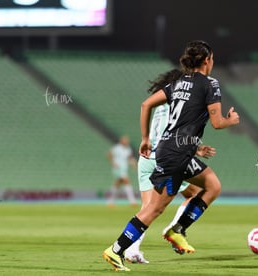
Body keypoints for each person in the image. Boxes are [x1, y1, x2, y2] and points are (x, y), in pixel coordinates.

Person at [102, 40, 240, 272]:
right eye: (212, 58)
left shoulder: (177, 83)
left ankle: (178, 230)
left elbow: (146, 104)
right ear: (207, 60)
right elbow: (217, 123)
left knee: (212, 185)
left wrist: (145, 138)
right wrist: (231, 121)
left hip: (172, 150)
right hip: (176, 154)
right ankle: (116, 250)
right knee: (154, 209)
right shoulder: (210, 84)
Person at [124, 73, 216, 263]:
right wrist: (194, 148)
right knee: (197, 192)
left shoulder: (159, 103)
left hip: (146, 158)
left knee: (147, 209)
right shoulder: (178, 105)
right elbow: (173, 131)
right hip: (166, 158)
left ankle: (131, 250)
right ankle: (176, 228)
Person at [107, 136, 137, 206]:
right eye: (125, 140)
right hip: (118, 168)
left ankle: (111, 201)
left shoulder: (128, 149)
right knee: (126, 181)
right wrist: (113, 163)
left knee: (117, 184)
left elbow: (129, 158)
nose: (127, 142)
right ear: (121, 141)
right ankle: (132, 201)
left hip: (124, 168)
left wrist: (133, 165)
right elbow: (109, 154)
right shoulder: (117, 148)